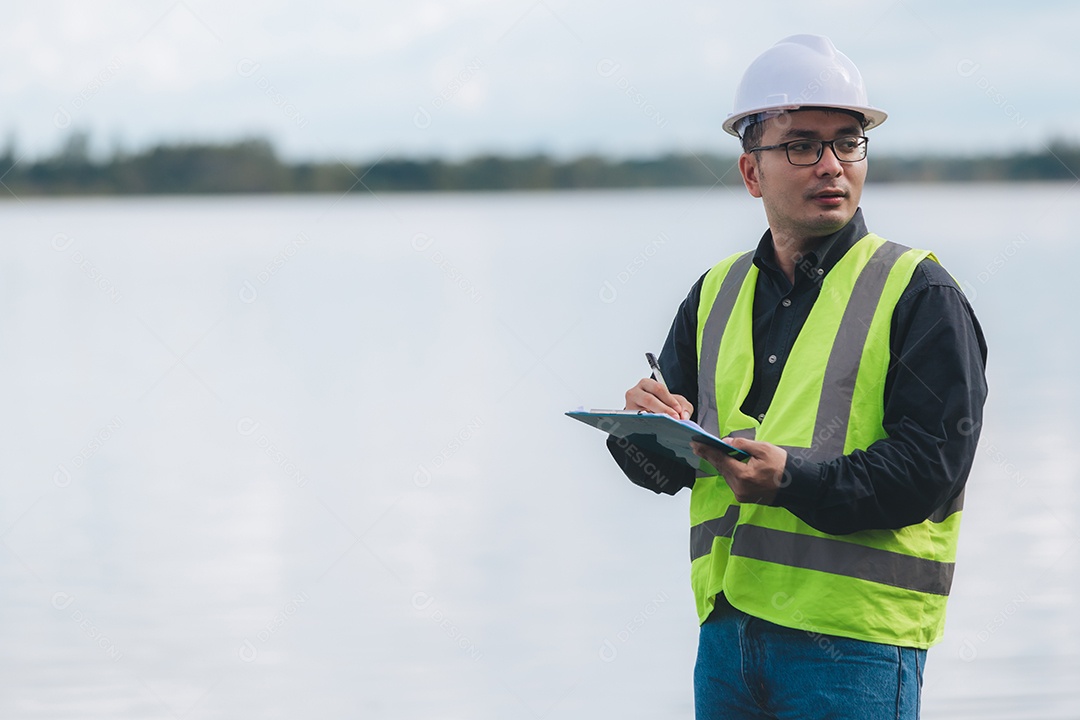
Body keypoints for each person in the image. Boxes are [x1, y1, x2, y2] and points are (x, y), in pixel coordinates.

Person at [606, 35, 987, 719]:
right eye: (803, 145)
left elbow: (931, 469)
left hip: (855, 647)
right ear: (752, 172)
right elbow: (667, 469)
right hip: (726, 638)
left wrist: (790, 482)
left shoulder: (918, 293)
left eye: (849, 142)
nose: (832, 166)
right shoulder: (714, 293)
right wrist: (640, 429)